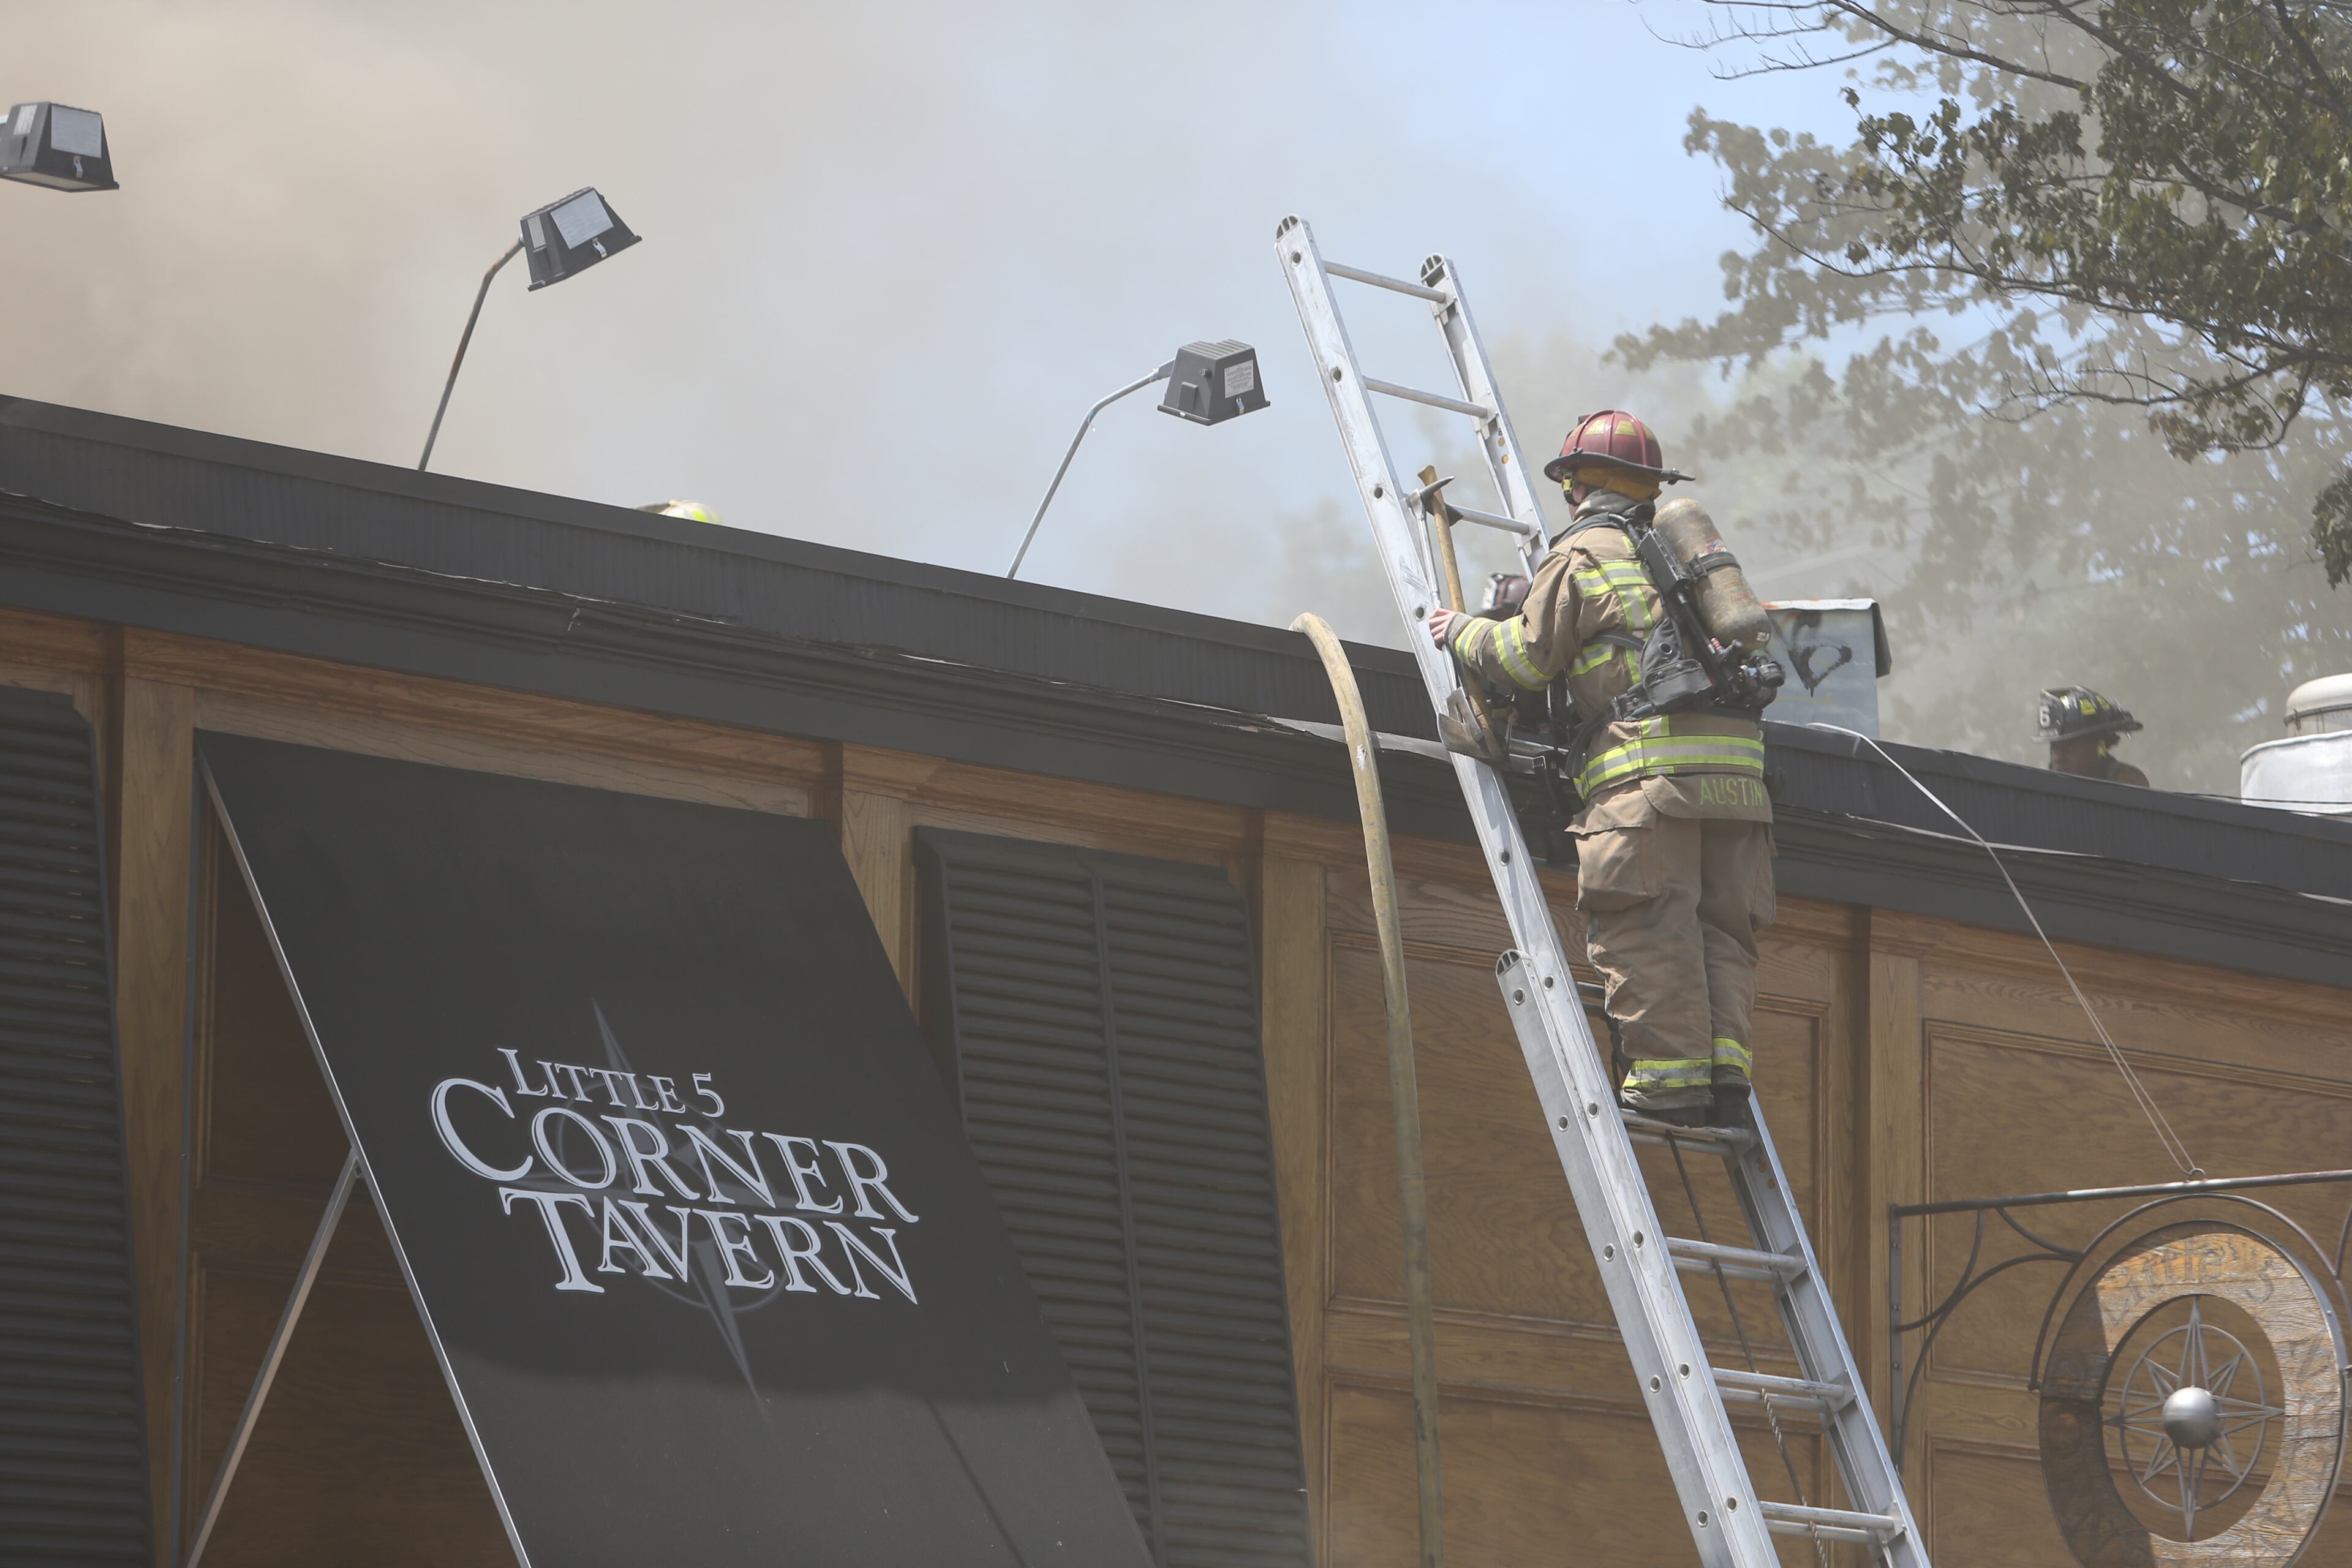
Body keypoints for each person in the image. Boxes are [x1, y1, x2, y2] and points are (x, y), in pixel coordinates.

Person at [1425, 410, 1774, 1128]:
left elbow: (1527, 659)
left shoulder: (1583, 552)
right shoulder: (1684, 560)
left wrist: (1459, 631)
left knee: (1647, 923)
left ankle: (1671, 1085)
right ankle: (1726, 1077)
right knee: (1722, 929)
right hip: (1740, 783)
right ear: (1651, 486)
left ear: (1576, 485)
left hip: (1650, 779)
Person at [2035, 686, 2149, 786]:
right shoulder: (2041, 792)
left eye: (2070, 745)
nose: (2058, 757)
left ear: (2099, 745)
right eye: (2054, 745)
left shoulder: (2128, 783)